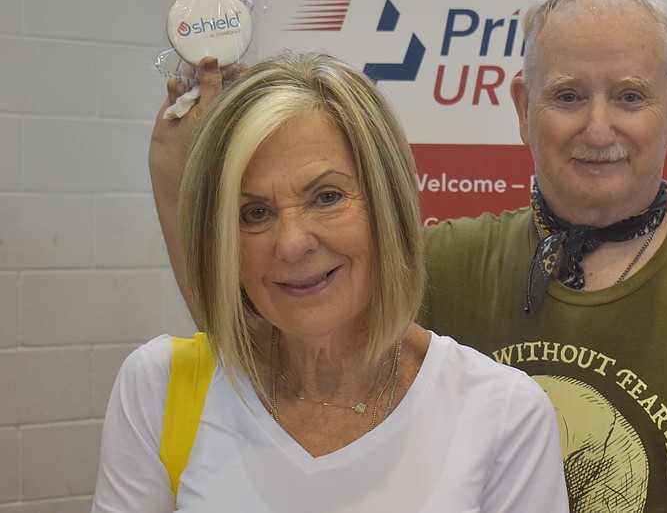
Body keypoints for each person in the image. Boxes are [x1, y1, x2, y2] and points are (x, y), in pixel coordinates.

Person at [148, 0, 667, 512]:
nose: (599, 128)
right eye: (568, 96)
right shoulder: (439, 267)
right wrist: (186, 179)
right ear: (521, 108)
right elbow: (259, 339)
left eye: (630, 97)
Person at [92, 51, 569, 512]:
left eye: (326, 197)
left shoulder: (504, 417)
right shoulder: (159, 389)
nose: (292, 243)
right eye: (254, 213)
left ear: (389, 204)